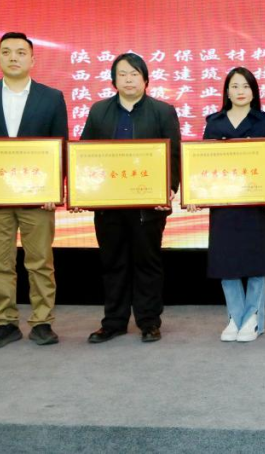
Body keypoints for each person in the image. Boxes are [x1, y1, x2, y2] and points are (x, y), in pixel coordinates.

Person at [0, 32, 68, 349]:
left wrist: (55, 190)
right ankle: (4, 323)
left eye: (21, 52)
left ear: (32, 59)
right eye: (6, 52)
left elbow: (60, 145)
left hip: (38, 196)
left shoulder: (51, 97)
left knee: (40, 262)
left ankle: (42, 322)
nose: (13, 57)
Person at [81, 53, 181, 344]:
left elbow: (174, 153)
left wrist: (169, 187)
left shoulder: (162, 111)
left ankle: (149, 322)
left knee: (147, 263)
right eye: (122, 74)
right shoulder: (98, 111)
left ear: (145, 79)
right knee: (113, 264)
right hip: (108, 205)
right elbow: (84, 154)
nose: (128, 79)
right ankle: (113, 322)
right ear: (113, 80)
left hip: (148, 206)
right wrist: (82, 190)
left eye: (134, 74)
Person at [187, 67, 265, 343]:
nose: (240, 91)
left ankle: (253, 318)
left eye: (246, 86)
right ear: (226, 91)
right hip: (224, 203)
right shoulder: (214, 123)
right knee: (225, 260)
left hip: (254, 202)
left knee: (256, 260)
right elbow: (201, 164)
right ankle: (235, 317)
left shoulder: (264, 121)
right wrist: (194, 195)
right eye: (235, 86)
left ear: (254, 91)